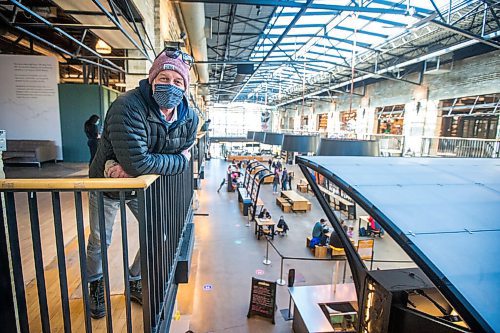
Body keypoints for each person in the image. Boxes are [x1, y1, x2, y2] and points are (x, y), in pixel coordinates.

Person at [86, 47, 198, 319]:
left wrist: (153, 162)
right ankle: (95, 284)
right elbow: (140, 163)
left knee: (157, 233)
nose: (170, 85)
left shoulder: (189, 117)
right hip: (107, 183)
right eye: (164, 78)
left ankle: (134, 277)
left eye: (178, 81)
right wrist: (176, 160)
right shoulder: (127, 106)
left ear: (185, 86)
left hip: (139, 186)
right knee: (101, 239)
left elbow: (176, 153)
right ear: (152, 78)